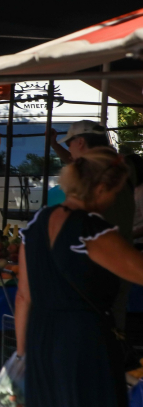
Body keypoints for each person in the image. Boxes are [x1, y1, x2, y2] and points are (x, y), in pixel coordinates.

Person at [16, 148, 143, 407]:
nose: (115, 200)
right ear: (100, 188)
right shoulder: (92, 232)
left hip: (42, 340)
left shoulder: (34, 226)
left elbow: (24, 296)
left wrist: (23, 355)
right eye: (115, 191)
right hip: (84, 341)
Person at [49, 120, 136, 328]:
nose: (70, 152)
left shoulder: (98, 169)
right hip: (118, 248)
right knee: (113, 319)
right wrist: (55, 145)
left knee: (100, 322)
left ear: (80, 142)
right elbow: (73, 161)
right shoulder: (119, 164)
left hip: (101, 255)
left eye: (70, 144)